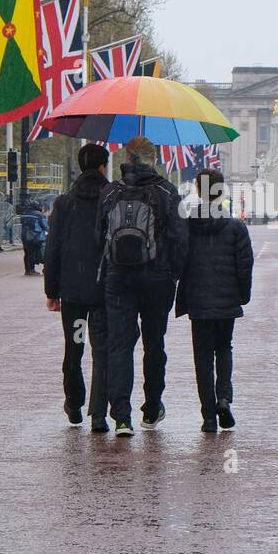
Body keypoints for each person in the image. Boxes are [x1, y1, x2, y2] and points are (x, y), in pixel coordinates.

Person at [98, 136, 187, 437]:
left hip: (118, 277)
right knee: (154, 344)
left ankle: (121, 416)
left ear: (127, 157)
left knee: (119, 345)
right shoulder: (167, 191)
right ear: (154, 158)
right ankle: (151, 407)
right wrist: (173, 273)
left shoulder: (110, 191)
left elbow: (100, 236)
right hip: (157, 278)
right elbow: (179, 238)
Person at [176, 169, 253, 432]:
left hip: (198, 300)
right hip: (226, 300)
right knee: (224, 349)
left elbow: (180, 262)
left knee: (203, 357)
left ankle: (208, 415)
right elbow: (245, 266)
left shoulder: (187, 225)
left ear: (198, 190)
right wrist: (242, 296)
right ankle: (224, 398)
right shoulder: (236, 227)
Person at [45, 144, 111, 431]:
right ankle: (98, 413)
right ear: (102, 167)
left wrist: (52, 290)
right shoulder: (111, 198)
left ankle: (74, 403)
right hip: (103, 288)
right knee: (102, 351)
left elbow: (53, 249)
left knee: (75, 348)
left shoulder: (64, 203)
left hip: (73, 292)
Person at [19, 201, 48, 275]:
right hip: (35, 236)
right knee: (35, 252)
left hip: (24, 236)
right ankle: (32, 270)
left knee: (27, 253)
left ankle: (27, 270)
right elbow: (45, 226)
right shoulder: (39, 215)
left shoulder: (24, 214)